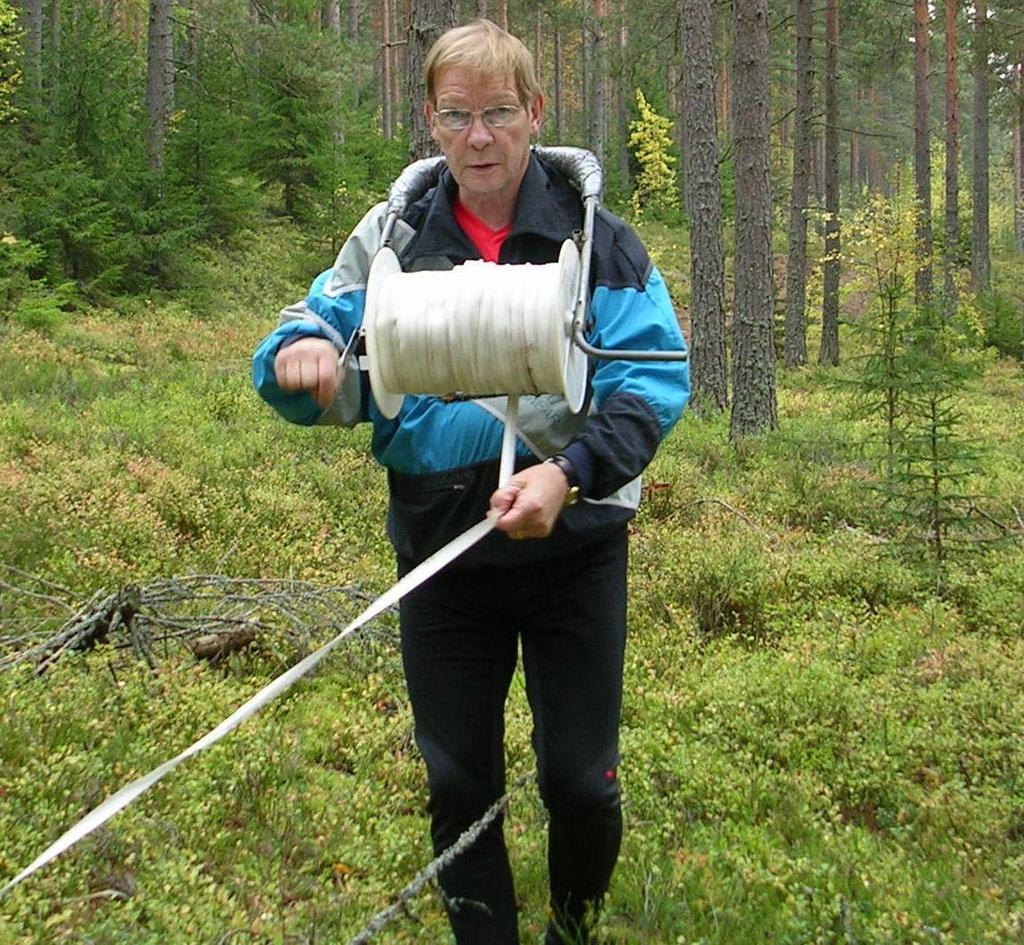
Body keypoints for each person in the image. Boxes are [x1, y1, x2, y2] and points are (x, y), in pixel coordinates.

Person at [252, 19, 688, 945]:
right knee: (457, 781)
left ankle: (574, 922)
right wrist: (298, 364)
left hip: (572, 549)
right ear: (431, 120)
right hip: (441, 555)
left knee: (580, 778)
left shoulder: (595, 241)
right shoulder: (395, 237)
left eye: (497, 112)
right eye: (457, 115)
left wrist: (569, 475)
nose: (478, 136)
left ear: (534, 114)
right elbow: (319, 328)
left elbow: (652, 376)